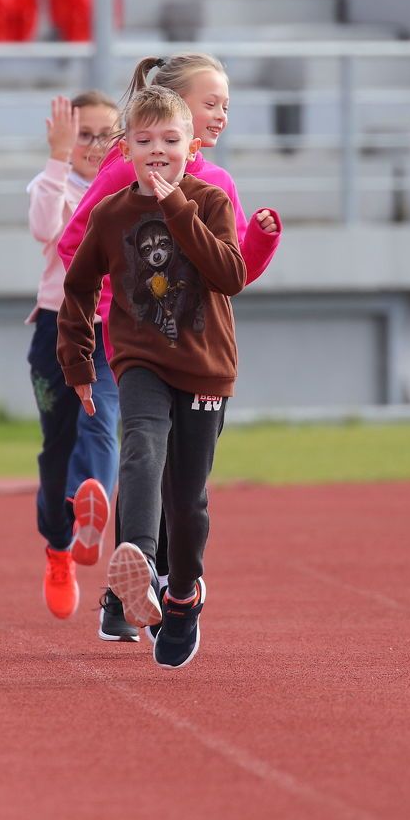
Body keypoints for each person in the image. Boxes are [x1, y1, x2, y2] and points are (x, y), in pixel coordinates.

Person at [57, 53, 281, 641]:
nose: (222, 115)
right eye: (212, 103)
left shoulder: (216, 187)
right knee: (142, 451)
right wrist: (121, 305)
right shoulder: (123, 172)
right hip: (137, 345)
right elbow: (79, 247)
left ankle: (154, 593)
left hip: (201, 351)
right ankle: (134, 580)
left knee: (180, 488)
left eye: (227, 105)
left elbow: (230, 273)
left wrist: (261, 242)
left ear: (186, 138)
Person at [26, 91, 121, 623]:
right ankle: (59, 548)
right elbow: (45, 228)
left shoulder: (127, 189)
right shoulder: (53, 184)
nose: (95, 145)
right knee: (57, 447)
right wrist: (58, 157)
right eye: (84, 134)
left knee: (100, 418)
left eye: (107, 135)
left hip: (107, 329)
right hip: (54, 326)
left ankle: (91, 513)